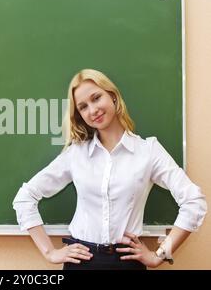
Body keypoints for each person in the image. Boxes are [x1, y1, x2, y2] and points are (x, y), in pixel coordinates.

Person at [12, 69, 207, 270]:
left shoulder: (148, 151)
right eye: (83, 107)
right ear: (79, 115)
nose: (93, 110)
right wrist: (50, 253)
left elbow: (194, 201)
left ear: (112, 96)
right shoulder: (76, 154)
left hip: (127, 263)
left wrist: (160, 254)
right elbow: (25, 197)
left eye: (96, 98)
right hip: (81, 262)